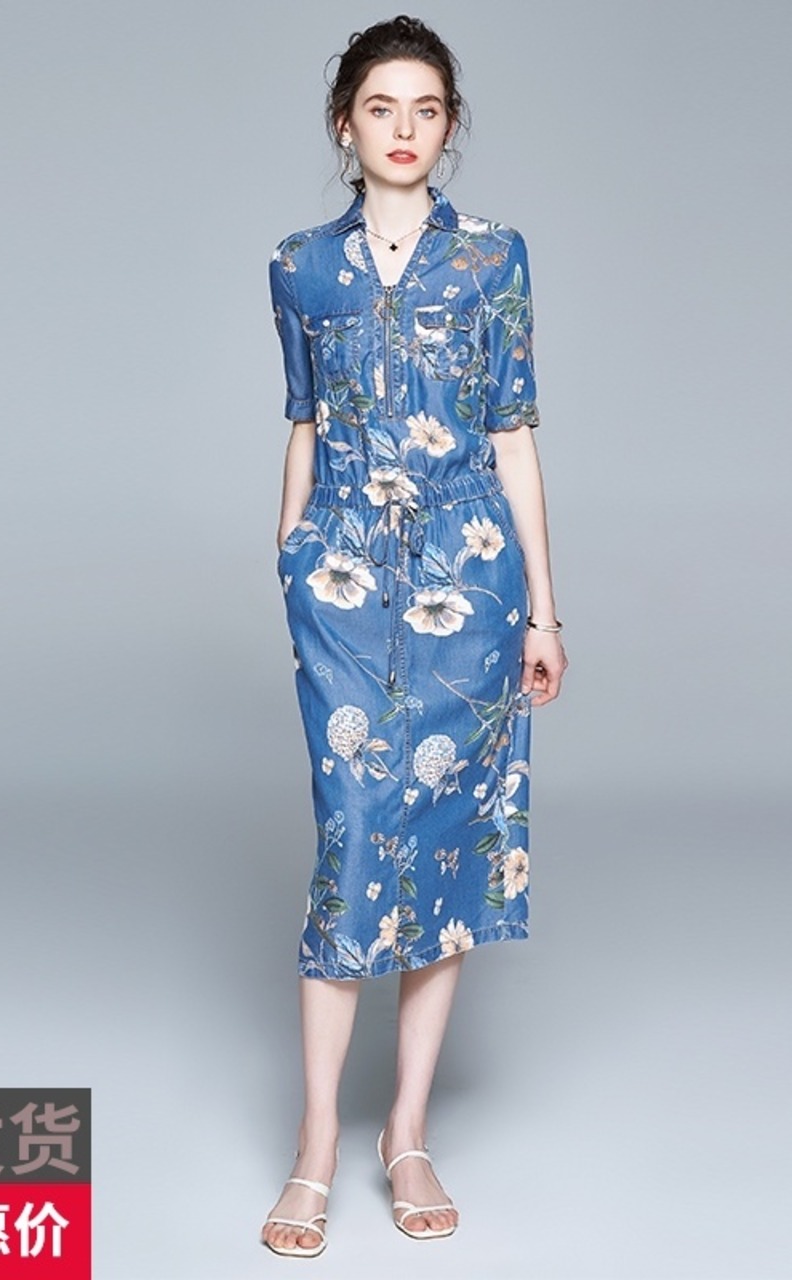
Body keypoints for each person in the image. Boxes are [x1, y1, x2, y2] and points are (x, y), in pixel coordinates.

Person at [260, 15, 567, 1257]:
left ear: (448, 126)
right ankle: (313, 1143)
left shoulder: (493, 258)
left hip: (468, 582)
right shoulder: (298, 265)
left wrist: (541, 607)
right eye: (380, 107)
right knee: (351, 837)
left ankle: (406, 1129)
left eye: (425, 108)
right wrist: (287, 547)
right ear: (344, 122)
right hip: (339, 582)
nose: (403, 128)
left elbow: (512, 431)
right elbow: (301, 416)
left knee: (442, 847)